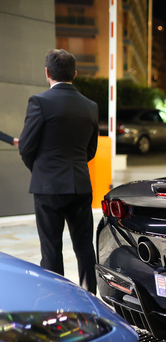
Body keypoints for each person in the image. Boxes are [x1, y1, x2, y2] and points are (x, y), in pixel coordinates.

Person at [18, 49, 98, 294]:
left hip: (48, 187)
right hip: (81, 185)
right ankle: (89, 299)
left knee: (51, 249)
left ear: (47, 73)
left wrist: (42, 170)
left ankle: (57, 300)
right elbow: (91, 150)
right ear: (74, 74)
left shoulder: (39, 102)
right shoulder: (90, 106)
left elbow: (26, 147)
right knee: (84, 246)